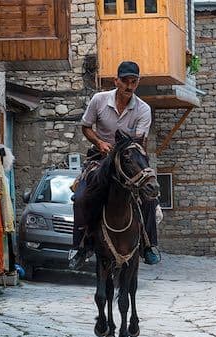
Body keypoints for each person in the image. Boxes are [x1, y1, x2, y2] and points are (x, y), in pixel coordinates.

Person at [69, 61, 159, 269]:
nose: (129, 86)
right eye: (125, 81)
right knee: (82, 197)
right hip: (101, 158)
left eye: (133, 82)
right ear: (116, 81)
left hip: (129, 159)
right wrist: (99, 142)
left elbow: (139, 141)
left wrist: (121, 151)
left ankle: (149, 245)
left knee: (149, 195)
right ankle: (81, 246)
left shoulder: (143, 109)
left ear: (138, 83)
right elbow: (86, 127)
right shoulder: (99, 100)